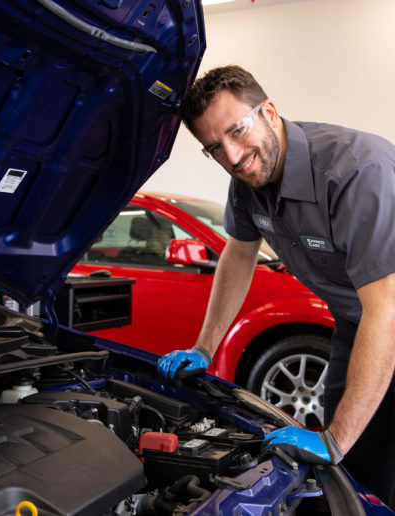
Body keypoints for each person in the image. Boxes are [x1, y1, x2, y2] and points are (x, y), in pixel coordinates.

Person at [157, 65, 395, 506]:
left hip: (386, 315)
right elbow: (240, 253)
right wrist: (204, 348)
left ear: (268, 110)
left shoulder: (355, 173)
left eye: (236, 131)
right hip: (358, 321)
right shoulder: (248, 177)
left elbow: (387, 310)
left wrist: (335, 439)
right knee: (356, 471)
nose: (231, 155)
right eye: (215, 147)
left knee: (358, 448)